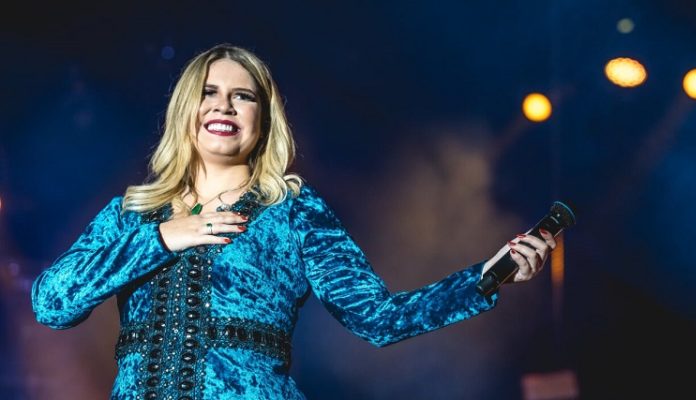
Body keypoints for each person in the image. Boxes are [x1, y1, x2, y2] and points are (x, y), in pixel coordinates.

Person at [30, 43, 557, 400]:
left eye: (243, 96)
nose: (224, 106)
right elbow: (52, 304)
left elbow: (377, 319)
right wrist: (163, 238)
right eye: (209, 93)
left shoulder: (295, 212)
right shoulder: (132, 215)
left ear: (262, 121)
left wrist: (484, 277)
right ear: (185, 111)